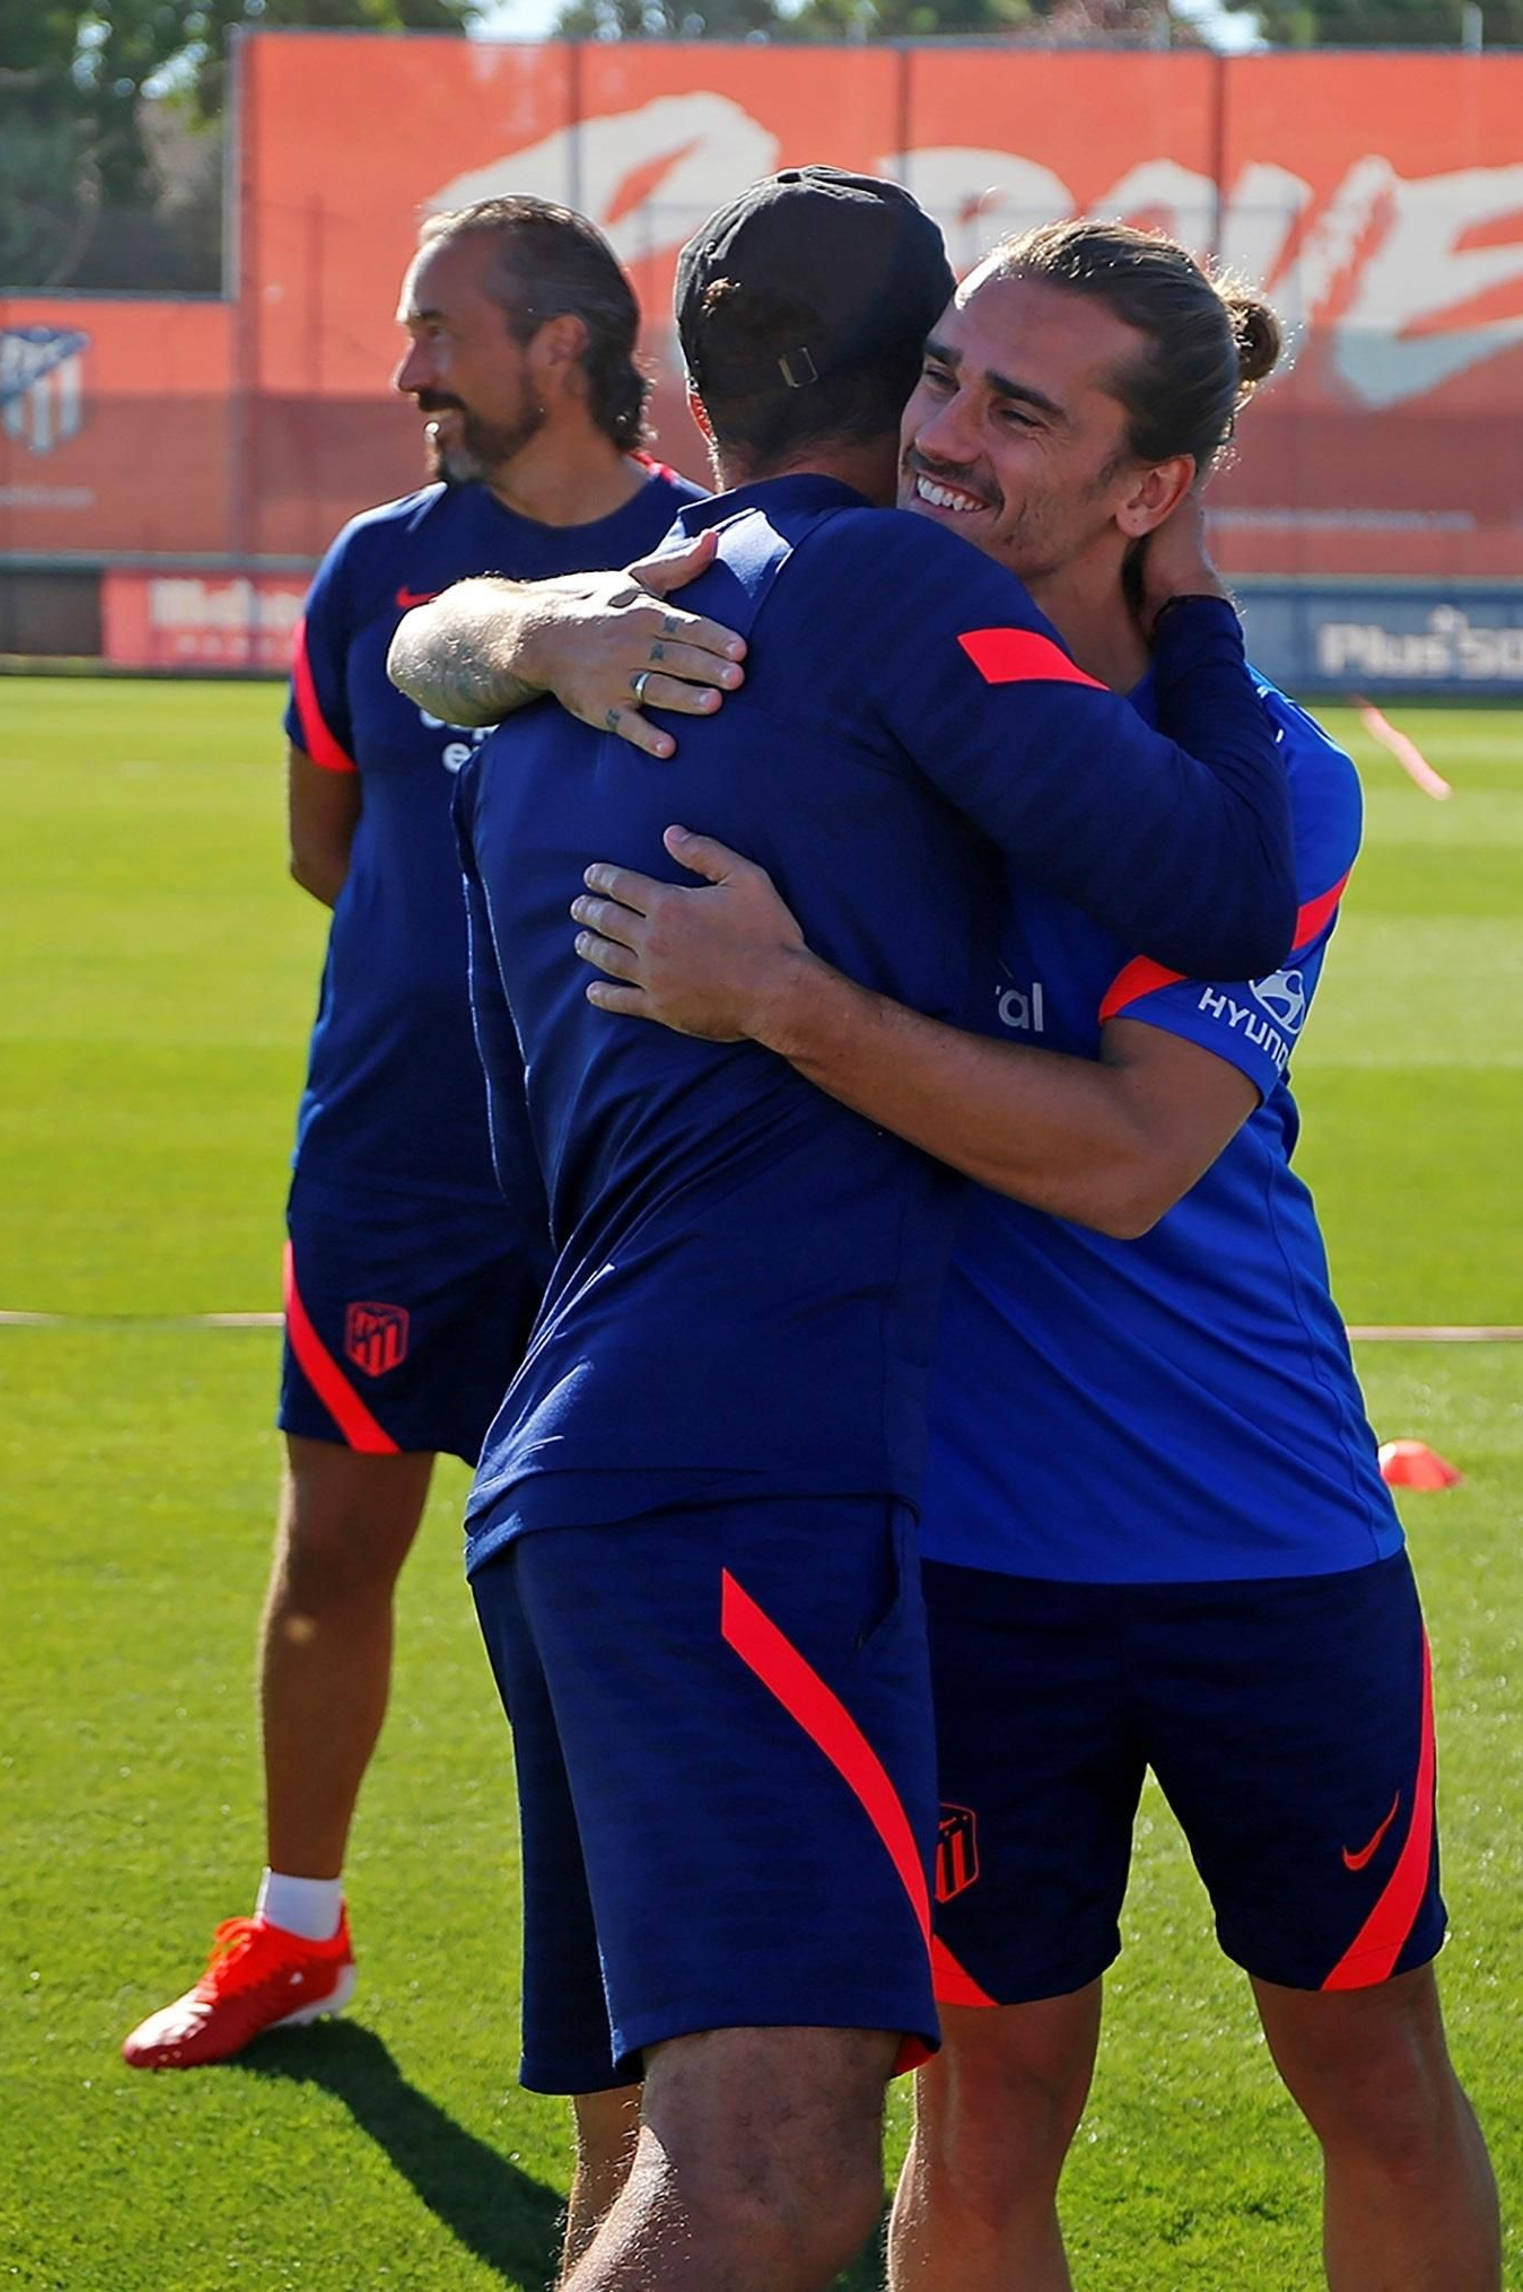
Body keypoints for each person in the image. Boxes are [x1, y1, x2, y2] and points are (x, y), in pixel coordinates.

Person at [550, 222, 1501, 2292]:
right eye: (940, 378)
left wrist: (786, 1003)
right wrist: (535, 627)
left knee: (1370, 2076)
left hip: (1262, 1537)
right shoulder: (850, 698)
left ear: (1149, 489)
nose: (945, 435)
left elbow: (1130, 1161)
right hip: (960, 1563)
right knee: (982, 2123)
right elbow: (458, 617)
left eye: (1018, 411)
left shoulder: (1262, 785)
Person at [393, 168, 1298, 2292]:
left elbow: (512, 1124)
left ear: (684, 376)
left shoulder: (551, 686)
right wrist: (1191, 601)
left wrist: (509, 625)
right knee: (773, 2191)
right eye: (956, 385)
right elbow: (1225, 888)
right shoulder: (872, 583)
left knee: (649, 2162)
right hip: (740, 1474)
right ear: (904, 397)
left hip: (573, 1474)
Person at [120, 198, 702, 2073]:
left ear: (561, 349)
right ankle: (295, 1935)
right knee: (336, 1553)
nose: (405, 373)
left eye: (438, 332)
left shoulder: (712, 564)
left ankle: (698, 1980)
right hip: (389, 1155)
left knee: (629, 1587)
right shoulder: (377, 565)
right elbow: (329, 847)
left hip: (622, 1175)